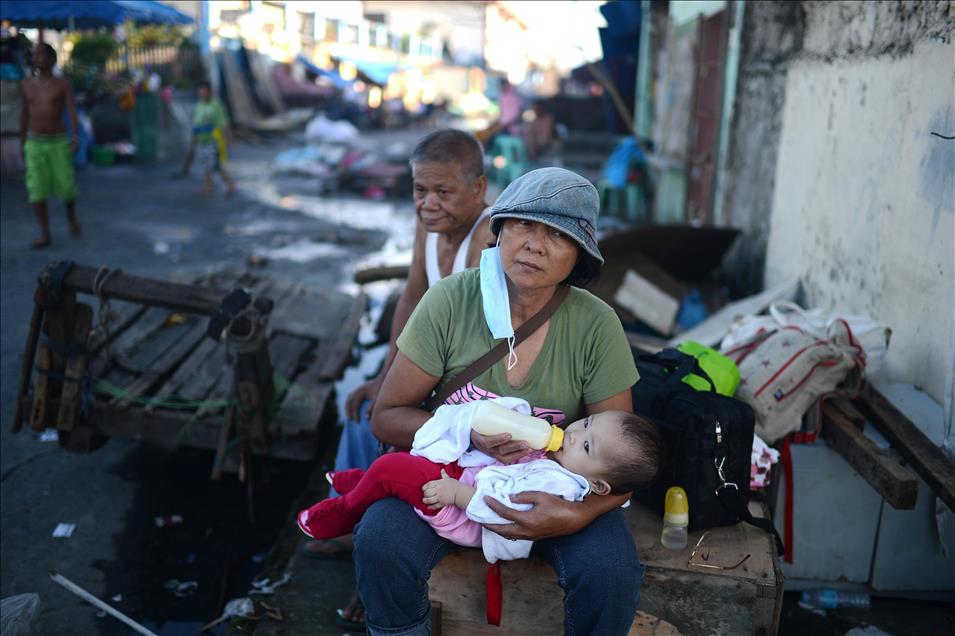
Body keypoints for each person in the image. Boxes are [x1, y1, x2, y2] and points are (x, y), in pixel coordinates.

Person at [359, 167, 644, 635]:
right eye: (524, 224)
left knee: (611, 571)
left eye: (558, 235)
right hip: (448, 480)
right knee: (380, 541)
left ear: (579, 255)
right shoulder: (450, 302)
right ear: (501, 230)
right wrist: (465, 432)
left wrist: (575, 513)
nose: (535, 244)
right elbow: (386, 418)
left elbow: (620, 462)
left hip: (549, 492)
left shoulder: (596, 326)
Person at [305, 129, 495, 630]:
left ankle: (372, 566)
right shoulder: (430, 227)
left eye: (442, 191)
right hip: (427, 372)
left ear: (479, 188)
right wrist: (384, 378)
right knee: (362, 415)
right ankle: (346, 520)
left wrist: (412, 402)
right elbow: (411, 299)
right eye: (419, 190)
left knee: (396, 449)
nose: (428, 203)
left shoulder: (488, 239)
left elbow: (477, 346)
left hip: (467, 392)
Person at [298, 408, 662, 565]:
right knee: (408, 462)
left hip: (463, 513)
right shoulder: (559, 457)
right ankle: (363, 482)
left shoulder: (558, 485)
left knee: (392, 468)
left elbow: (509, 509)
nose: (575, 432)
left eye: (587, 445)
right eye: (587, 422)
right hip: (462, 481)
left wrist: (458, 495)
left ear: (598, 485)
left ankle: (342, 514)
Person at [19, 43, 79, 249]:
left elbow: (72, 111)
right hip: (34, 142)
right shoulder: (26, 84)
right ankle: (45, 233)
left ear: (52, 59)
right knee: (36, 189)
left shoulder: (62, 85)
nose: (36, 59)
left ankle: (71, 217)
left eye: (41, 55)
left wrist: (75, 137)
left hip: (58, 141)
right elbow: (24, 114)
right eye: (33, 55)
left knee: (66, 187)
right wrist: (22, 142)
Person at [181, 80, 236, 196]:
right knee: (205, 164)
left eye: (204, 92)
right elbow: (196, 124)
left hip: (214, 140)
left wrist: (228, 140)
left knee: (216, 165)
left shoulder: (216, 105)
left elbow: (223, 124)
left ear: (209, 92)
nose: (202, 94)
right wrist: (194, 140)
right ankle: (208, 186)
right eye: (200, 92)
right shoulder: (199, 106)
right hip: (202, 141)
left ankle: (229, 184)